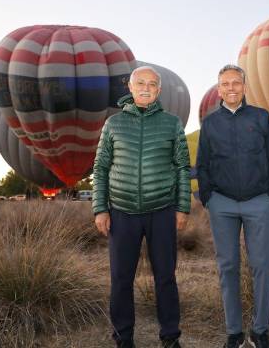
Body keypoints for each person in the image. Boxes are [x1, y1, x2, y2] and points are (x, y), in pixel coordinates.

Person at [92, 66, 190, 348]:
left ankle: (170, 337)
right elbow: (100, 168)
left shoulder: (172, 123)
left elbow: (183, 167)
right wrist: (100, 208)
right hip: (121, 214)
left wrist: (182, 207)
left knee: (165, 278)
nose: (146, 88)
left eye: (152, 84)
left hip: (162, 211)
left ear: (159, 90)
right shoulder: (113, 124)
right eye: (140, 83)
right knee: (121, 279)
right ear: (131, 89)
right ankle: (123, 338)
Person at [196, 64, 269, 348]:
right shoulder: (210, 123)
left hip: (258, 202)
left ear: (244, 87)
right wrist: (208, 197)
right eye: (225, 83)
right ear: (218, 88)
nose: (231, 88)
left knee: (262, 266)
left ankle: (260, 330)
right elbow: (202, 165)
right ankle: (234, 332)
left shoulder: (261, 118)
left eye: (236, 83)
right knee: (228, 267)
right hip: (221, 203)